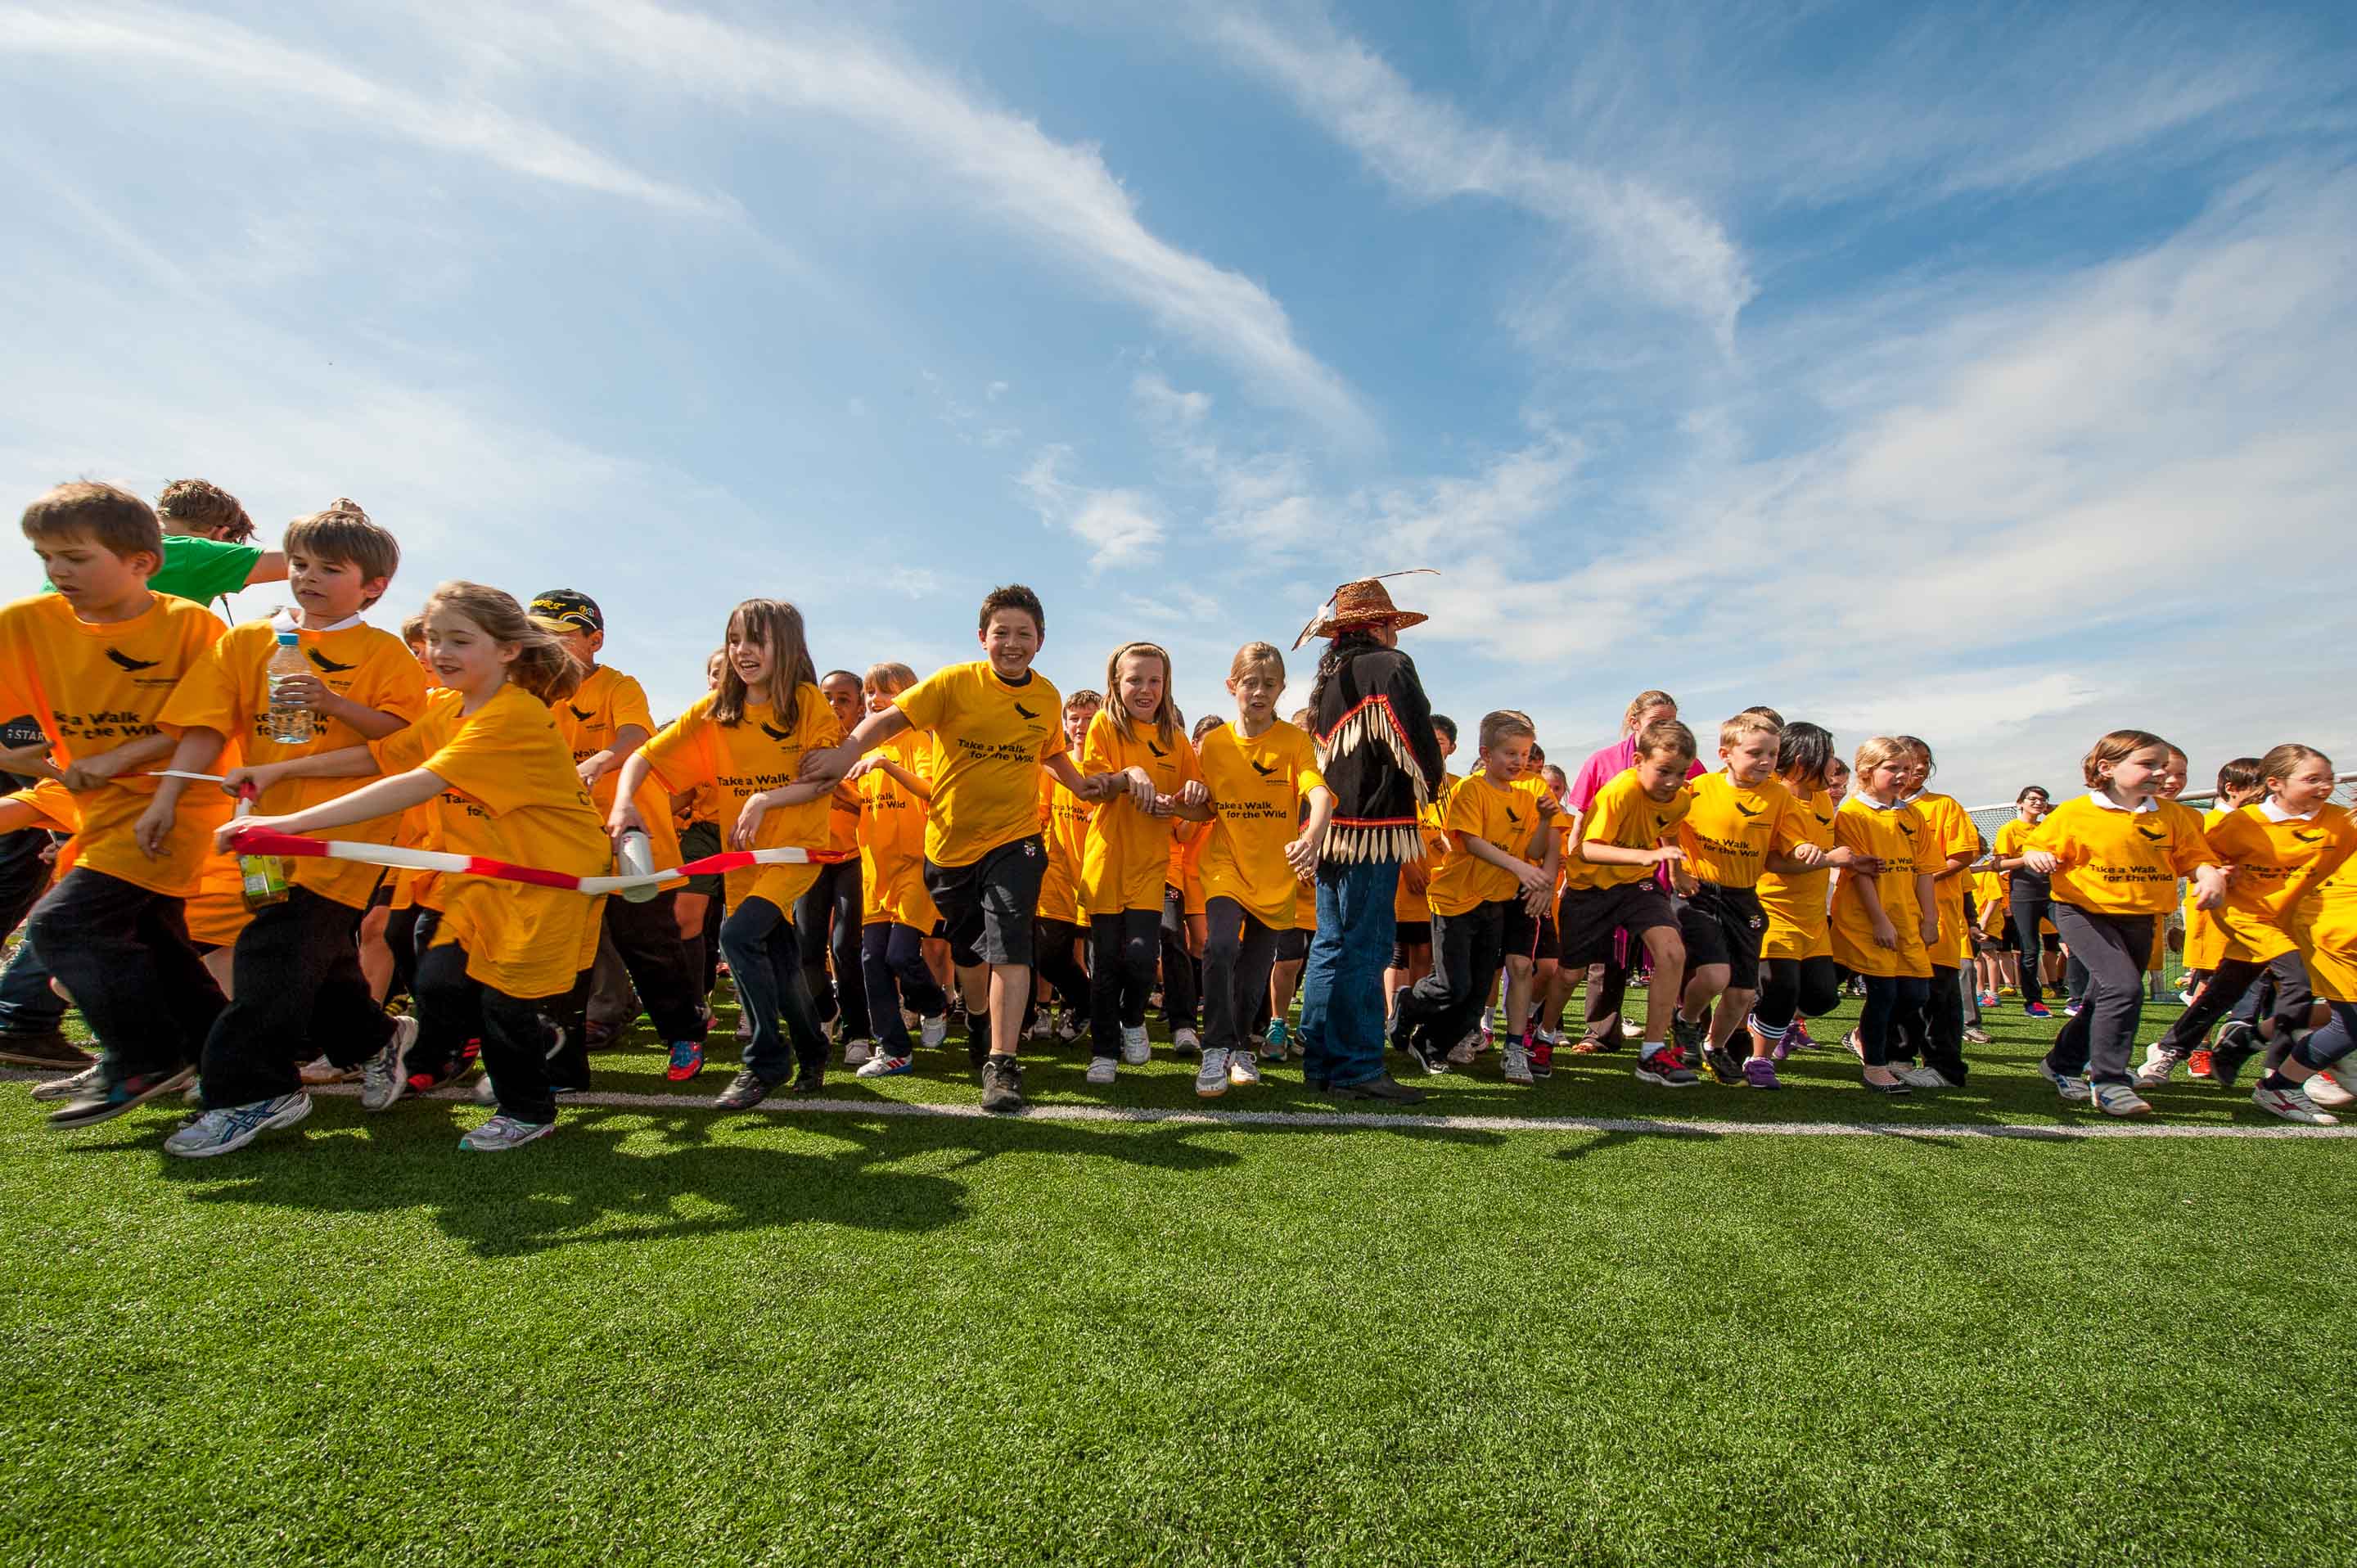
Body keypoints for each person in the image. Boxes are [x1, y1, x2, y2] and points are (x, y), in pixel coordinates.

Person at [217, 582, 608, 1151]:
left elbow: (417, 782)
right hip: (486, 877)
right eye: (434, 639)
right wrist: (274, 773)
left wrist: (286, 826)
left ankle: (528, 1108)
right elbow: (383, 756)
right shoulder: (447, 707)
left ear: (507, 650)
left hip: (548, 880)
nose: (440, 652)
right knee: (439, 980)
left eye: (460, 640)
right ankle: (507, 1033)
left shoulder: (513, 717)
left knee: (503, 998)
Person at [142, 502, 428, 1155]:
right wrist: (166, 797)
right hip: (259, 833)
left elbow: (404, 750)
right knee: (313, 956)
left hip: (346, 834)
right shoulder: (246, 642)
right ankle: (376, 1040)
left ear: (374, 586)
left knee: (272, 953)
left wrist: (333, 703)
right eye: (300, 564)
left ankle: (252, 1092)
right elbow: (207, 726)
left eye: (331, 569)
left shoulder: (384, 654)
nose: (308, 578)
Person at [798, 585, 1107, 1115]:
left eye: (1024, 634)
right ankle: (980, 1019)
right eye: (1002, 633)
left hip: (1016, 841)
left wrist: (1082, 787)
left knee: (1012, 945)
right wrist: (846, 752)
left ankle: (1002, 1064)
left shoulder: (1046, 697)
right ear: (982, 636)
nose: (1012, 644)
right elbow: (888, 720)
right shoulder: (953, 683)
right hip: (948, 850)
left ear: (1041, 640)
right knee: (969, 954)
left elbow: (1052, 752)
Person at [2, 483, 232, 1128]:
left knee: (62, 926)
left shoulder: (191, 625)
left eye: (75, 556)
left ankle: (141, 1056)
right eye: (45, 555)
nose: (58, 571)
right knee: (158, 941)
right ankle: (234, 1066)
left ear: (142, 562)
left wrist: (120, 762)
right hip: (98, 813)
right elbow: (12, 725)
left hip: (176, 803)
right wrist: (19, 752)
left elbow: (206, 721)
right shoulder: (22, 623)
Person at [613, 600, 840, 1109]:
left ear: (786, 646)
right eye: (735, 639)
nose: (742, 651)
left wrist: (765, 798)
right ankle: (812, 1046)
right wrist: (625, 802)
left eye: (756, 640)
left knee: (735, 937)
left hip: (794, 853)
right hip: (744, 863)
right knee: (780, 968)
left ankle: (765, 1060)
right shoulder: (716, 711)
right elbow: (644, 757)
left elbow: (824, 778)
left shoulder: (806, 702)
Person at [531, 589, 710, 1082]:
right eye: (541, 638)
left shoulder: (618, 686)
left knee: (649, 947)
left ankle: (685, 1035)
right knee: (566, 955)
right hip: (565, 846)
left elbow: (636, 737)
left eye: (563, 638)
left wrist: (595, 763)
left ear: (595, 641)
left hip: (630, 840)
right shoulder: (534, 695)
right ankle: (563, 1061)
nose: (551, 648)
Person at [1291, 579, 1446, 1102]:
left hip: (1332, 829)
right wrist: (1434, 783)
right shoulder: (1388, 668)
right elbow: (1418, 735)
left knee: (1331, 946)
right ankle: (1357, 1066)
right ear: (1380, 626)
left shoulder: (1327, 681)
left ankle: (1321, 1062)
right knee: (1366, 947)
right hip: (1375, 831)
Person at [2023, 729, 2227, 1119]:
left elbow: (2195, 859)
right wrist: (2036, 855)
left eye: (2164, 767)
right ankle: (2110, 1081)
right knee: (2123, 987)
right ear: (2107, 767)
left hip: (2140, 918)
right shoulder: (2074, 812)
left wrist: (2211, 876)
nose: (2161, 774)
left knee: (2106, 997)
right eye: (2148, 765)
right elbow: (2037, 845)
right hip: (2082, 912)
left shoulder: (2176, 817)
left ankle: (2061, 1063)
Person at [2139, 745, 2356, 1088]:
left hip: (2291, 921)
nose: (2325, 786)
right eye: (2313, 779)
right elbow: (2199, 858)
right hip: (2246, 916)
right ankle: (2278, 1078)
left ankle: (2171, 1048)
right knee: (2296, 986)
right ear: (2276, 783)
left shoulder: (2337, 823)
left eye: (2329, 779)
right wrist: (2218, 871)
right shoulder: (2239, 825)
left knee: (2225, 990)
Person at [1193, 642, 1330, 1097]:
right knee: (1219, 948)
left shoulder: (1294, 742)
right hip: (1224, 865)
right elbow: (1206, 809)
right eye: (1249, 683)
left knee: (1255, 970)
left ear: (1282, 689)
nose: (1259, 692)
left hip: (1276, 873)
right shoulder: (1213, 744)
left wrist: (1310, 840)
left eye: (1269, 684)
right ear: (1232, 686)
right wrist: (1185, 802)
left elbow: (1321, 795)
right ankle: (1214, 1047)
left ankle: (1241, 1047)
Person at [1390, 710, 1556, 1084]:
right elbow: (1471, 842)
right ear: (1485, 754)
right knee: (1453, 985)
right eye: (1510, 753)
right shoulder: (1471, 789)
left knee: (1476, 997)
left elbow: (1534, 845)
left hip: (1493, 903)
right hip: (1455, 900)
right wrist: (1518, 867)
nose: (1519, 761)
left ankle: (1430, 1044)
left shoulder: (1526, 796)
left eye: (1525, 754)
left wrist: (1545, 821)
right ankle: (1407, 1003)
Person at [1078, 642, 1208, 1085]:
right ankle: (1104, 1052)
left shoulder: (1176, 738)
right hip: (1108, 861)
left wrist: (1189, 797)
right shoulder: (1103, 726)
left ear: (1166, 684)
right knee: (1106, 963)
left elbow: (1200, 809)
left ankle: (1132, 1019)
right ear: (1116, 682)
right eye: (1135, 679)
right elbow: (1091, 788)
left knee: (1140, 958)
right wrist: (1129, 776)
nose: (1145, 689)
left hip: (1152, 866)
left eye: (1155, 680)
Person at [1670, 711, 1820, 1088]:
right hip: (1699, 894)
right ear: (1726, 754)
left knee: (1742, 993)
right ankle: (1686, 1020)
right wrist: (1677, 870)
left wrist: (1803, 848)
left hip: (1744, 898)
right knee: (1715, 975)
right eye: (1755, 753)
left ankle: (1715, 1046)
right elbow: (1667, 826)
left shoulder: (1778, 797)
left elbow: (1790, 838)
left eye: (1772, 753)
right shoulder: (1697, 788)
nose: (1766, 761)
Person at [1564, 690, 1706, 1053]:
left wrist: (1675, 872)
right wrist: (1571, 865)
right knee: (1603, 959)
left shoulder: (1686, 765)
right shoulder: (1604, 761)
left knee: (1673, 950)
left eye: (1672, 721)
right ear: (1635, 722)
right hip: (1601, 874)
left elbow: (1674, 821)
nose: (1667, 728)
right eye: (1659, 722)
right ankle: (1599, 1032)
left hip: (1651, 876)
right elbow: (1581, 820)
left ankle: (1673, 1037)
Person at [845, 661, 949, 1078]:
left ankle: (934, 1003)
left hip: (915, 868)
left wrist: (888, 766)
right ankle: (894, 1051)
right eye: (871, 692)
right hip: (875, 871)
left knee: (901, 954)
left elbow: (931, 791)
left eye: (886, 692)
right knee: (871, 960)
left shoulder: (922, 741)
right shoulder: (863, 747)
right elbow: (856, 801)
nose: (875, 700)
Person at [1827, 737, 1941, 1094]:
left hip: (1906, 917)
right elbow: (1860, 872)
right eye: (1892, 768)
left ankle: (1861, 1037)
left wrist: (1930, 918)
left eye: (1906, 769)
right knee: (1884, 992)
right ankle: (1875, 1066)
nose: (1902, 776)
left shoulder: (1912, 815)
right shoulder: (1853, 814)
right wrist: (1879, 920)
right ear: (1866, 771)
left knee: (1916, 994)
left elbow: (1924, 871)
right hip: (1867, 917)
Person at [2143, 756, 2264, 1085]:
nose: (2265, 796)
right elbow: (2191, 865)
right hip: (2215, 914)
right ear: (2231, 788)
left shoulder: (2260, 822)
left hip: (2264, 919)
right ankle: (2194, 1049)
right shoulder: (2208, 823)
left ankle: (2292, 1066)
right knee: (2213, 986)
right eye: (2260, 788)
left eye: (2182, 774)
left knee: (2284, 992)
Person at [1751, 722, 1855, 1074]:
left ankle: (1758, 1020)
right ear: (1801, 760)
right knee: (1781, 991)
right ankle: (1759, 1058)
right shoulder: (1771, 796)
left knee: (1822, 996)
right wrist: (1827, 859)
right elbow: (1770, 860)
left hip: (1813, 917)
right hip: (1773, 910)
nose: (1833, 765)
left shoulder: (1824, 799)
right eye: (1826, 756)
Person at [1890, 737, 1982, 1088]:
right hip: (1894, 915)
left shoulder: (1944, 807)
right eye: (1910, 760)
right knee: (1899, 988)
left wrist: (1919, 877)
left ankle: (1945, 1067)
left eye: (1925, 760)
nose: (1919, 767)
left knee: (1940, 992)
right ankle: (1898, 1057)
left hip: (1938, 914)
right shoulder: (1872, 809)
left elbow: (1962, 855)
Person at [800, 669, 872, 1062]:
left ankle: (859, 1032)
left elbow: (867, 802)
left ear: (860, 706)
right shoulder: (804, 745)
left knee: (846, 946)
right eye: (827, 697)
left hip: (852, 859)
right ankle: (827, 1012)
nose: (833, 705)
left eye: (844, 698)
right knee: (805, 949)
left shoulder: (866, 748)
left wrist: (834, 783)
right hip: (809, 858)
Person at [1033, 688, 1102, 1043]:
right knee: (1047, 955)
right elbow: (1041, 816)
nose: (1081, 725)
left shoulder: (1109, 767)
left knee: (1108, 958)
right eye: (1074, 718)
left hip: (1099, 874)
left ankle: (1113, 1020)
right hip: (1057, 874)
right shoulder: (1053, 767)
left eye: (1090, 717)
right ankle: (1086, 1003)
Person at [1385, 715, 1458, 1022]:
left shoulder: (1457, 785)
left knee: (1426, 953)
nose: (1431, 746)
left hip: (1441, 884)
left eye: (1439, 741)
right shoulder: (1401, 781)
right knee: (1395, 953)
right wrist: (1408, 868)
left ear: (1452, 747)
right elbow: (1390, 828)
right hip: (1405, 883)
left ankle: (1412, 1015)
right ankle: (1391, 1014)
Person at [1993, 785, 2059, 1018]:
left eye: (2043, 799)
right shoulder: (2009, 829)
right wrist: (2028, 858)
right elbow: (1999, 865)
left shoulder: (2049, 827)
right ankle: (2033, 1001)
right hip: (2024, 895)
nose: (2039, 803)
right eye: (2033, 799)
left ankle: (2078, 998)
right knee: (2030, 950)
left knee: (2074, 943)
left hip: (2053, 893)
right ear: (2020, 802)